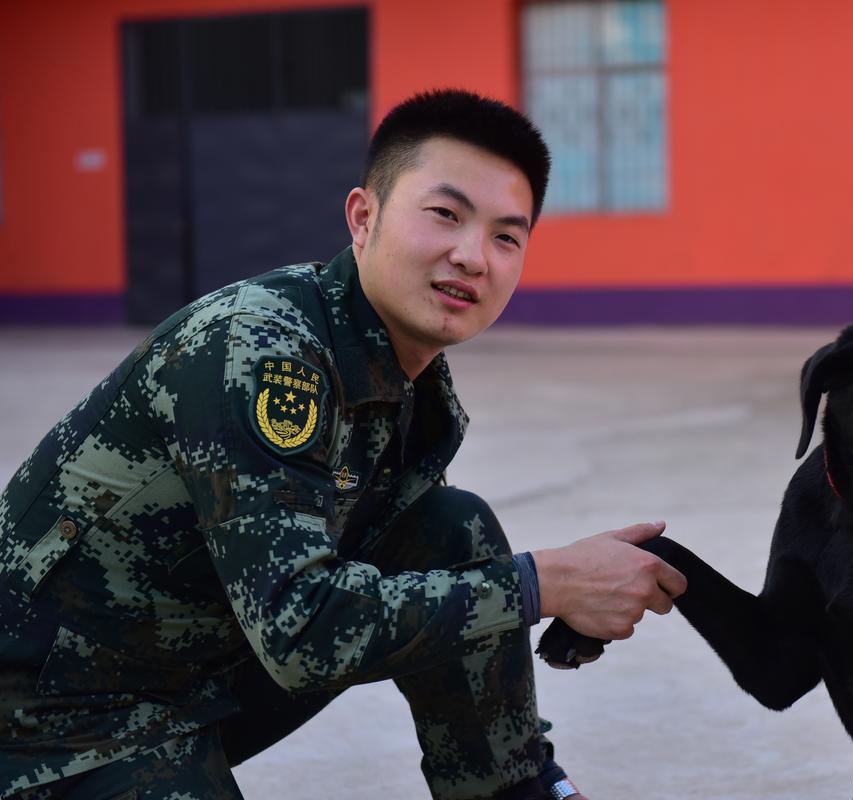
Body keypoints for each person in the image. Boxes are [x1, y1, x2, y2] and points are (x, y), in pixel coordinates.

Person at [0, 89, 686, 800]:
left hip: (196, 676)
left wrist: (544, 585)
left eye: (506, 236)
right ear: (364, 216)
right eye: (445, 215)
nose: (472, 256)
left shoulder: (412, 387)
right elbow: (302, 631)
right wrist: (550, 582)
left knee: (454, 528)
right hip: (53, 719)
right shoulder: (262, 351)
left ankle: (513, 788)